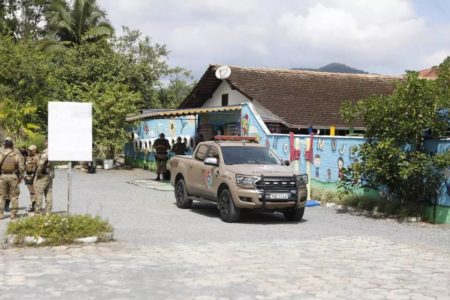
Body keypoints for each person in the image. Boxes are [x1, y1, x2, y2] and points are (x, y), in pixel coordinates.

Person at [0, 137, 25, 220]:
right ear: (12, 145)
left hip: (3, 176)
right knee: (14, 196)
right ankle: (13, 214)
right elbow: (21, 167)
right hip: (13, 176)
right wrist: (21, 176)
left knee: (1, 196)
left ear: (5, 145)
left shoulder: (1, 154)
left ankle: (1, 214)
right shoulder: (16, 154)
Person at [34, 139, 54, 215]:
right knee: (49, 192)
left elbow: (41, 164)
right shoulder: (54, 151)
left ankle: (38, 211)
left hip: (43, 174)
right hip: (50, 174)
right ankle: (48, 211)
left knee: (39, 192)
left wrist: (38, 173)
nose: (44, 142)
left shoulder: (46, 152)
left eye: (45, 141)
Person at [24, 145, 39, 212]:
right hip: (28, 175)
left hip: (35, 175)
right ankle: (32, 205)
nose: (29, 151)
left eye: (31, 150)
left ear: (35, 150)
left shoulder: (38, 157)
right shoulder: (27, 157)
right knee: (31, 191)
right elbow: (25, 166)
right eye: (29, 150)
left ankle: (35, 206)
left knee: (36, 191)